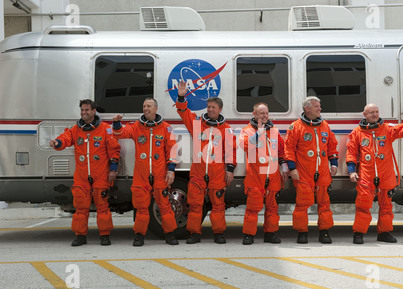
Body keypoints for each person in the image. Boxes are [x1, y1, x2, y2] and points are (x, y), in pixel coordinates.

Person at [346, 103, 403, 244]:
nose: (375, 114)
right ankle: (358, 233)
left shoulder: (386, 129)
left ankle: (384, 233)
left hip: (386, 175)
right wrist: (351, 172)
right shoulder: (357, 133)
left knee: (386, 206)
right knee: (363, 205)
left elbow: (402, 132)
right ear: (365, 115)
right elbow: (351, 153)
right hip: (366, 176)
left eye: (376, 111)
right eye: (371, 112)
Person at [49, 99, 121, 246]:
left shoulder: (105, 129)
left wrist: (113, 170)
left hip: (100, 174)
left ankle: (105, 235)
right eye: (82, 110)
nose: (84, 113)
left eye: (87, 110)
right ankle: (80, 236)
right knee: (81, 207)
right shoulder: (76, 129)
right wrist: (58, 143)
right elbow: (65, 138)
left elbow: (114, 150)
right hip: (82, 176)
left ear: (94, 111)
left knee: (103, 207)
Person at [175, 80, 236, 244]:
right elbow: (183, 112)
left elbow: (231, 151)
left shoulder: (226, 128)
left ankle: (218, 233)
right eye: (208, 107)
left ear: (220, 109)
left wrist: (230, 170)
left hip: (217, 174)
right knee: (195, 206)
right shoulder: (197, 124)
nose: (210, 109)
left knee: (218, 206)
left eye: (213, 107)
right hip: (198, 173)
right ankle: (194, 234)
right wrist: (181, 97)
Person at [112, 98, 179, 246]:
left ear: (156, 109)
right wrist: (116, 123)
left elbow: (172, 150)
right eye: (144, 106)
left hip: (160, 173)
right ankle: (139, 235)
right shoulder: (136, 126)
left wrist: (171, 170)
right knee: (141, 207)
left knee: (165, 206)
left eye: (148, 106)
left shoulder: (165, 128)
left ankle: (170, 234)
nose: (146, 109)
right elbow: (120, 133)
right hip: (141, 174)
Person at [284, 97, 339, 244]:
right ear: (307, 109)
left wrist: (334, 164)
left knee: (324, 204)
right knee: (302, 204)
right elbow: (288, 149)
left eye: (319, 106)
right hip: (303, 172)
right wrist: (292, 168)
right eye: (316, 107)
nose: (320, 109)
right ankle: (302, 233)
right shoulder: (295, 127)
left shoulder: (325, 125)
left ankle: (324, 232)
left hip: (322, 172)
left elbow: (332, 145)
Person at [239, 103, 289, 245]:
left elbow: (281, 150)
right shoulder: (247, 131)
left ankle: (270, 233)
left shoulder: (274, 131)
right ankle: (249, 235)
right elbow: (244, 146)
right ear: (254, 114)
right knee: (253, 208)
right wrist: (258, 134)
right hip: (255, 176)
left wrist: (284, 166)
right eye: (261, 113)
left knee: (272, 208)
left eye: (266, 113)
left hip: (273, 176)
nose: (264, 116)